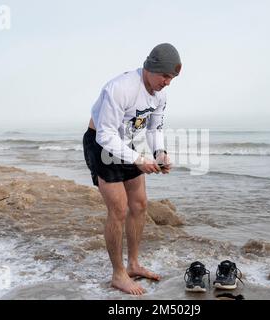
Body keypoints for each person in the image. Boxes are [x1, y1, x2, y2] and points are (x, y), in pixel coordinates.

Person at [82, 43, 182, 295]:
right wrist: (138, 159)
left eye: (172, 78)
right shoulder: (121, 88)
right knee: (118, 208)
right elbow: (105, 135)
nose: (168, 82)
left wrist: (160, 153)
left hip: (128, 143)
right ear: (151, 68)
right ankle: (118, 275)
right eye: (166, 76)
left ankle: (134, 264)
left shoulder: (160, 95)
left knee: (139, 205)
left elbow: (153, 128)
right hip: (101, 143)